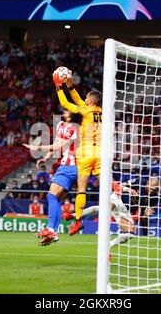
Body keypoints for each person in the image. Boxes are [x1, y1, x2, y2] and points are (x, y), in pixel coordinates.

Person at [54, 69, 102, 235]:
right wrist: (71, 86)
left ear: (90, 100)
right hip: (101, 152)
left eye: (86, 97)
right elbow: (79, 100)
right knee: (106, 187)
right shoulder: (101, 111)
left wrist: (59, 87)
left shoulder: (85, 110)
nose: (85, 98)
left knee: (81, 188)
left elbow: (68, 104)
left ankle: (78, 219)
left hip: (86, 153)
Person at [23, 109, 79, 246]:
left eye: (67, 110)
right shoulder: (60, 125)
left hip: (70, 166)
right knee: (57, 200)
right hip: (64, 165)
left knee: (51, 196)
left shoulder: (74, 128)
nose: (64, 111)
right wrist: (46, 157)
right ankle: (52, 231)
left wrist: (37, 148)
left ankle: (50, 229)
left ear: (71, 115)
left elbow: (59, 145)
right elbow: (57, 146)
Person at [63, 181, 137, 247]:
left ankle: (74, 216)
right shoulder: (113, 184)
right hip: (117, 201)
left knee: (131, 234)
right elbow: (119, 186)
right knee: (103, 209)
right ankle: (108, 245)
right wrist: (128, 189)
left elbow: (121, 185)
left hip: (122, 209)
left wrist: (128, 188)